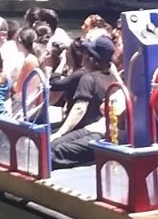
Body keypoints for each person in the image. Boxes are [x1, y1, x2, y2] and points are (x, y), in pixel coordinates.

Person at [50, 35, 117, 169]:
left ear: (92, 59)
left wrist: (60, 133)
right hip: (94, 127)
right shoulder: (112, 77)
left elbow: (79, 109)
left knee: (52, 149)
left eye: (86, 53)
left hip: (87, 128)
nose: (82, 56)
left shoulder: (88, 78)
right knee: (52, 144)